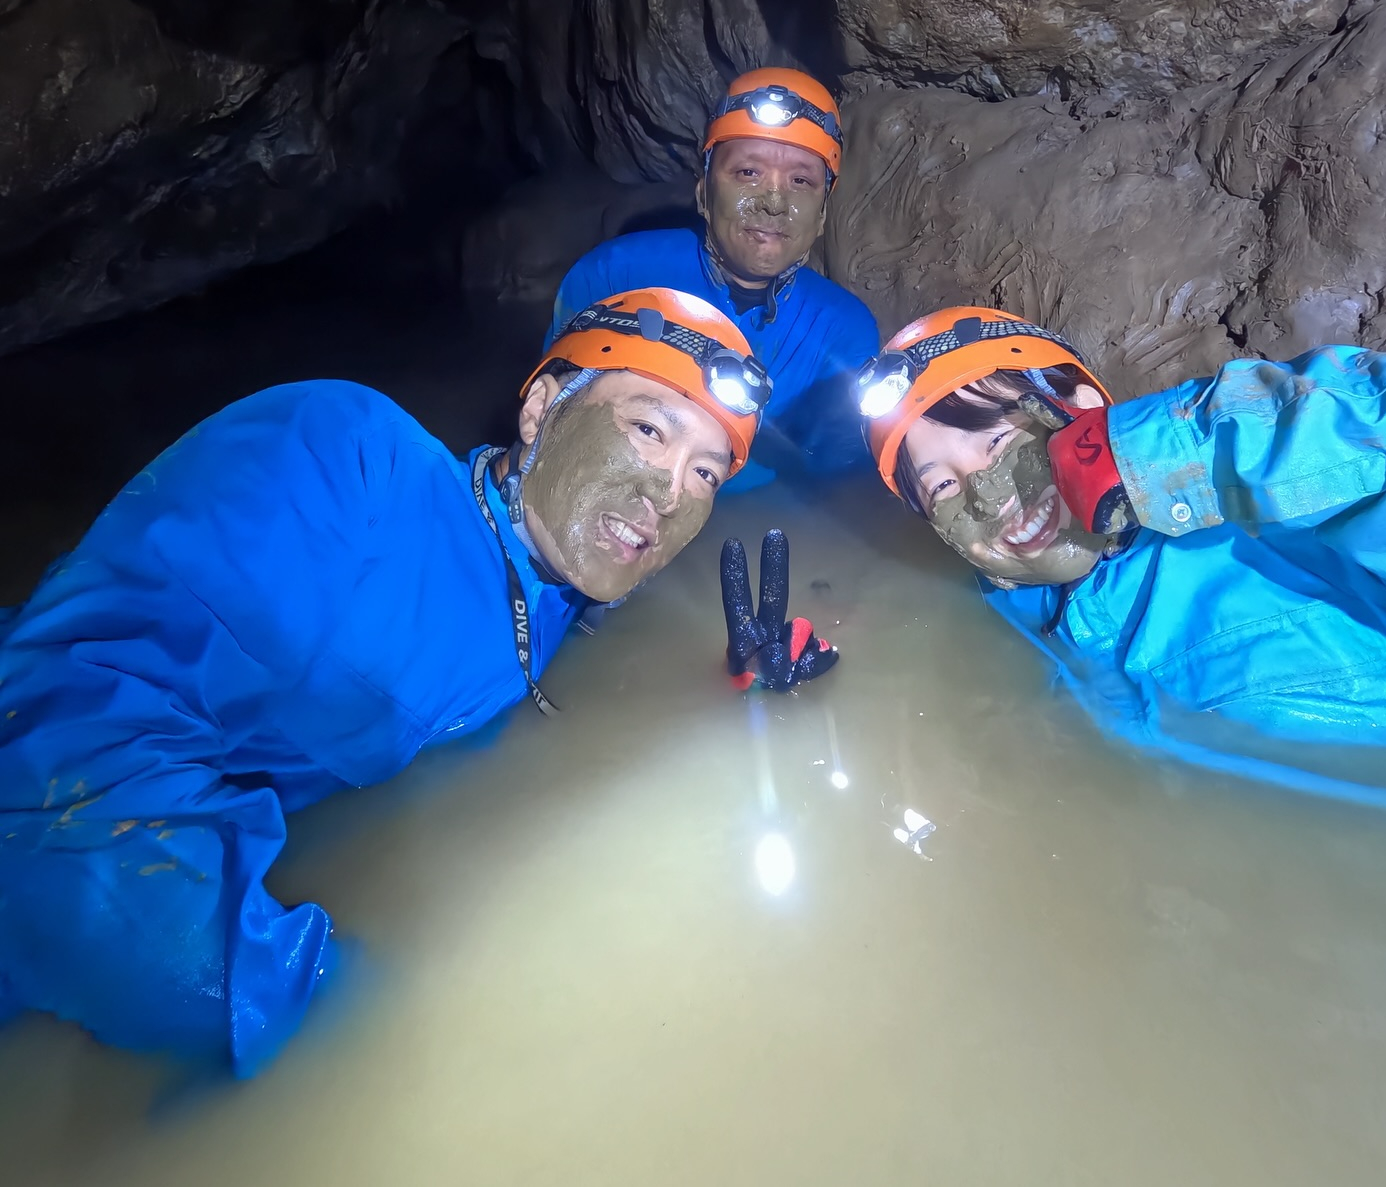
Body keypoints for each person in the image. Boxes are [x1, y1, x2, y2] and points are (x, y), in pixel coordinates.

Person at [0, 288, 828, 1076]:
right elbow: (54, 741)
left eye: (704, 475)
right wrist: (346, 1023)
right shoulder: (344, 457)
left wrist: (738, 689)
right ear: (542, 408)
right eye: (649, 429)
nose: (666, 494)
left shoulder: (557, 585)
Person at [857, 306, 1386, 814]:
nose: (985, 495)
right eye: (941, 490)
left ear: (1083, 404)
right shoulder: (1019, 618)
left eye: (998, 442)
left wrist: (1168, 450)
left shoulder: (1270, 510)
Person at [548, 68, 880, 491]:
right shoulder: (614, 276)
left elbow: (834, 493)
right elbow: (550, 428)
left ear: (823, 216)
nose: (774, 202)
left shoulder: (844, 334)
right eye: (748, 173)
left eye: (801, 181)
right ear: (703, 192)